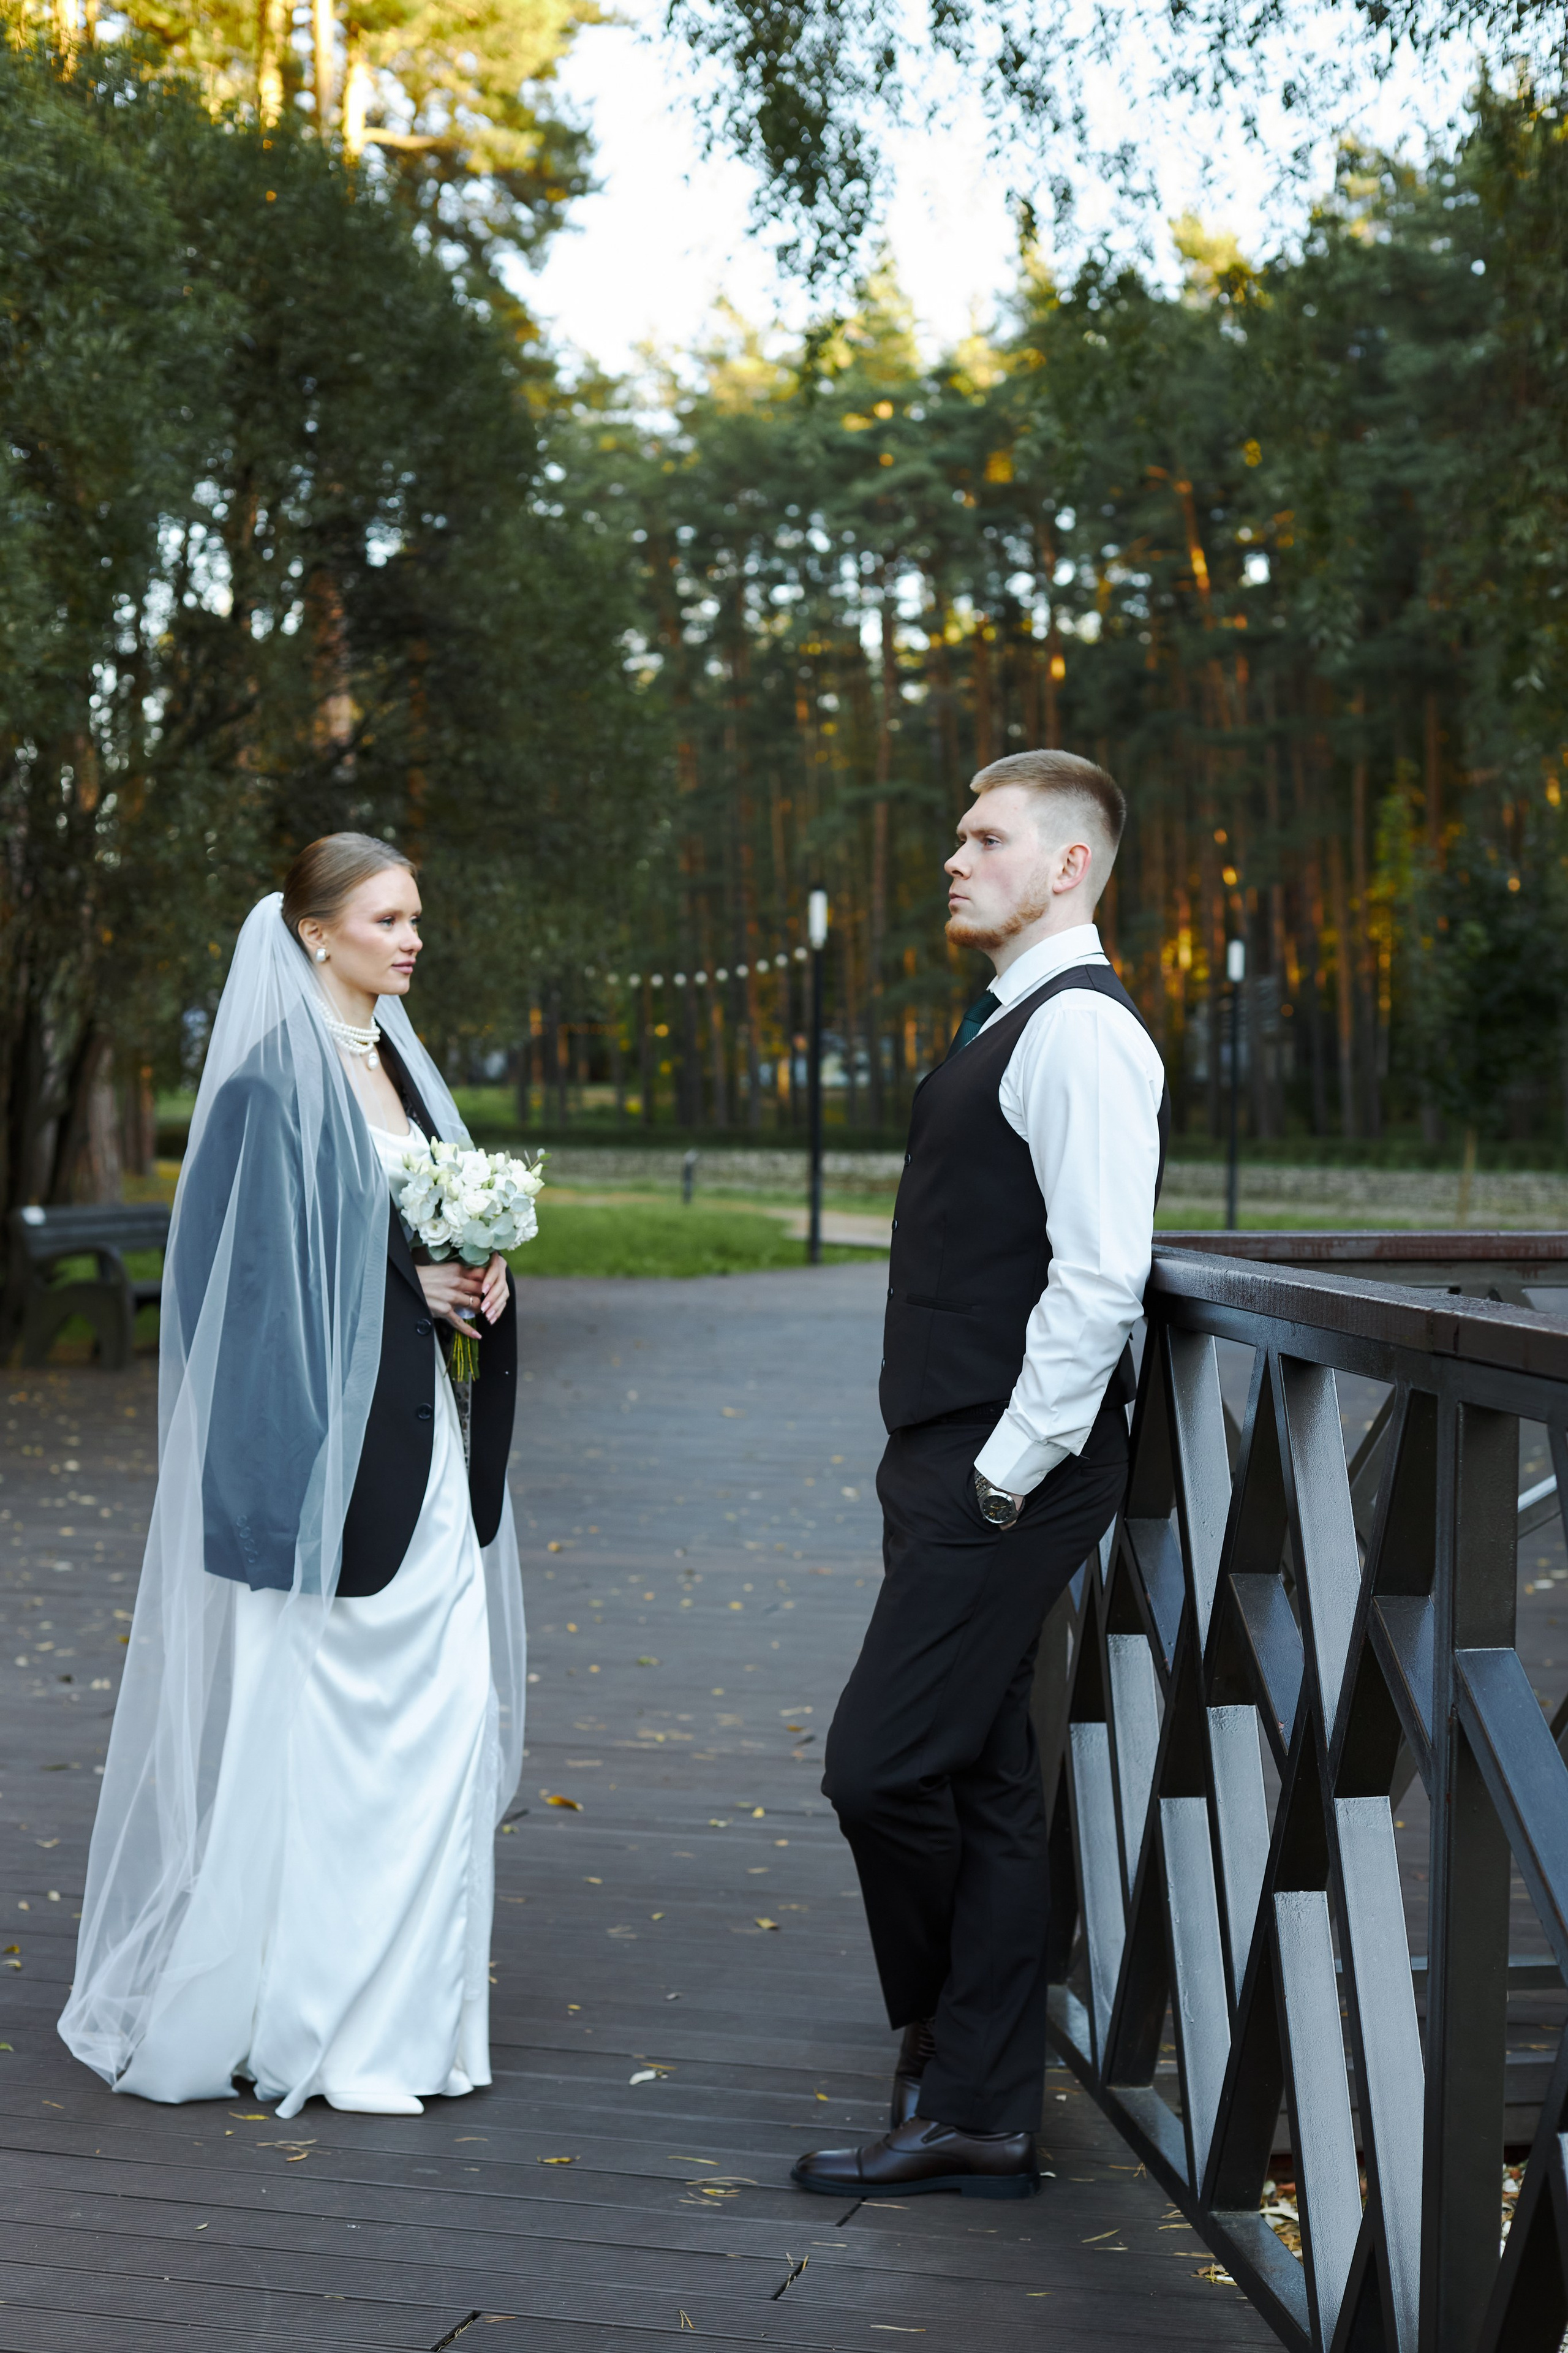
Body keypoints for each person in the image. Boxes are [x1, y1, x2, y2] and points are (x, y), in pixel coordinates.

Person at [59, 835, 527, 2118]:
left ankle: (419, 2026)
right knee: (327, 1721)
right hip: (329, 1462)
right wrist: (401, 1285)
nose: (411, 936)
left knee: (443, 1714)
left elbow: (416, 1232)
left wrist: (476, 1274)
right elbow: (242, 1285)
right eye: (387, 916)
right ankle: (317, 2017)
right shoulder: (271, 1082)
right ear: (315, 932)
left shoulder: (405, 1074)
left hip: (422, 1445)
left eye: (416, 915)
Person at [793, 750, 1169, 2200]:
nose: (954, 858)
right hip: (951, 1457)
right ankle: (978, 2105)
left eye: (985, 836)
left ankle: (958, 2042)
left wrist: (1005, 1473)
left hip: (1006, 1467)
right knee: (983, 1776)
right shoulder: (1010, 1021)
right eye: (957, 834)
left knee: (877, 1765)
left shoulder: (1078, 1036)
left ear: (1067, 864)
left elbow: (1099, 1280)